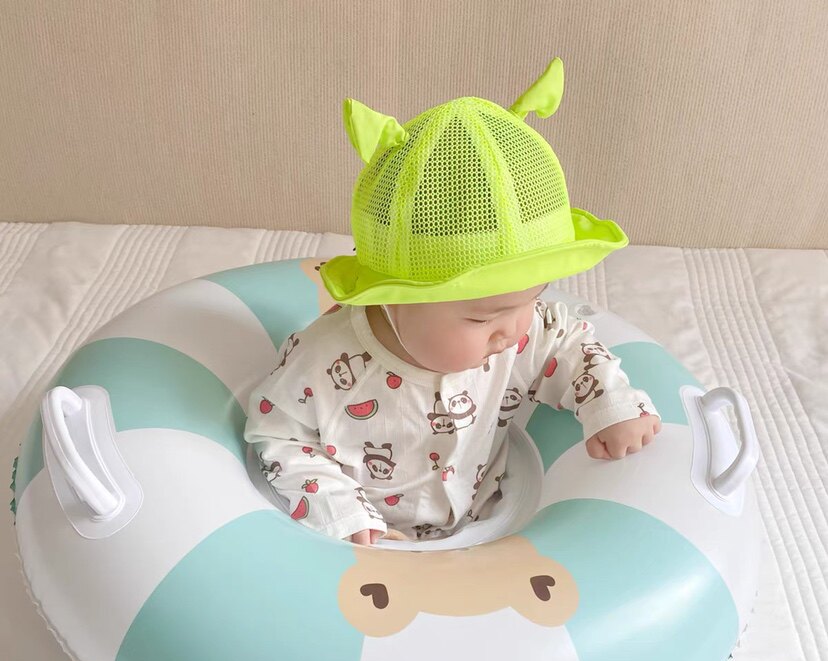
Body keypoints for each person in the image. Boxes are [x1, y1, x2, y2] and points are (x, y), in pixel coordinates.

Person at [244, 57, 661, 545]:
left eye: (531, 298)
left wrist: (611, 405)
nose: (514, 329)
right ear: (394, 300)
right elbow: (278, 434)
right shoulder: (326, 363)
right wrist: (344, 515)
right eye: (482, 318)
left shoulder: (522, 333)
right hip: (366, 548)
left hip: (488, 528)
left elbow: (571, 345)